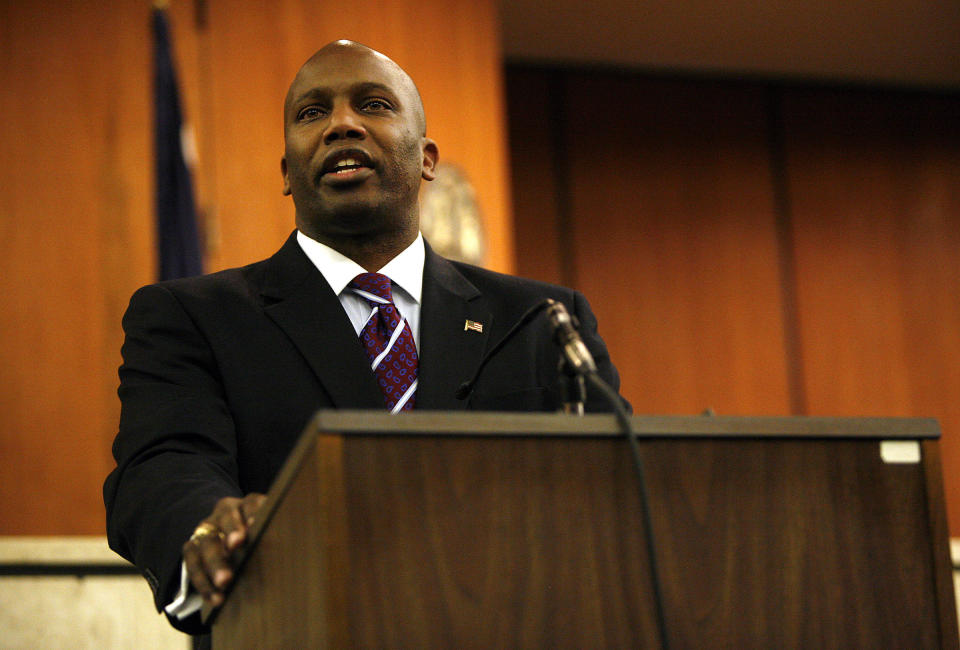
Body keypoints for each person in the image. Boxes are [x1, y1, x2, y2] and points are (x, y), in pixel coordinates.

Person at [103, 40, 626, 635]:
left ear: (427, 158)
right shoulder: (191, 316)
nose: (341, 124)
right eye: (311, 113)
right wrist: (208, 527)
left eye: (373, 105)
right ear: (285, 172)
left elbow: (615, 493)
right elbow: (165, 465)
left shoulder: (542, 320)